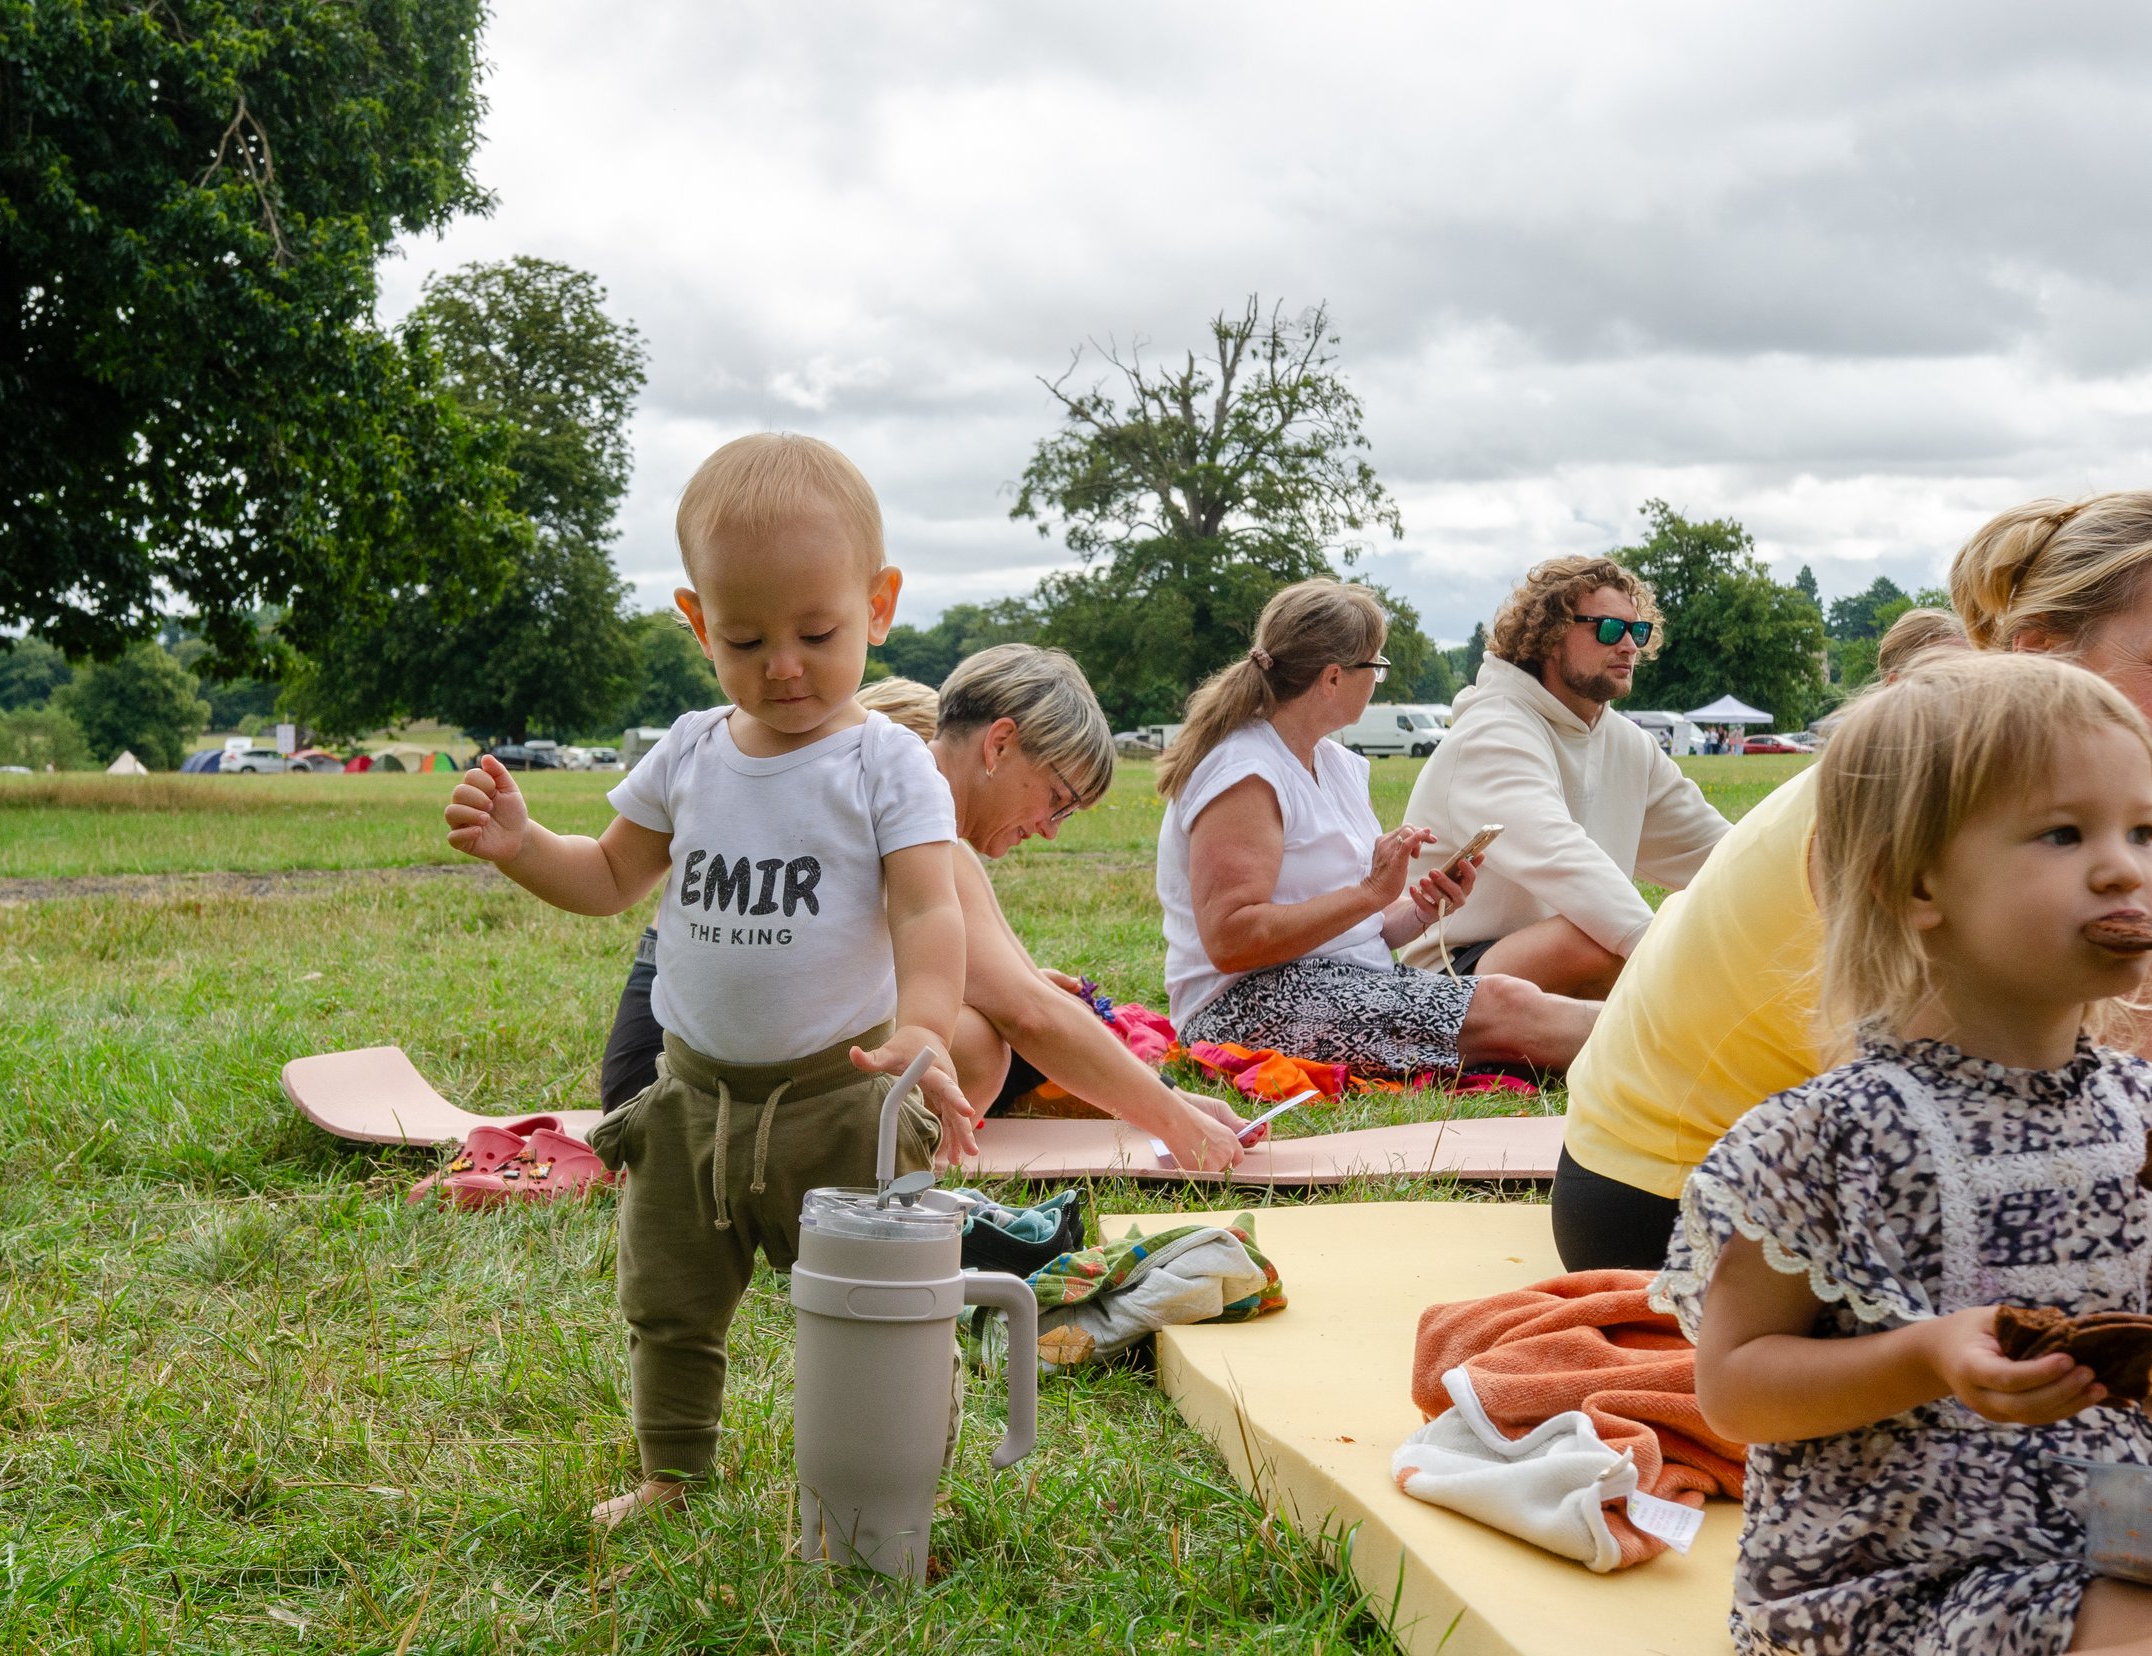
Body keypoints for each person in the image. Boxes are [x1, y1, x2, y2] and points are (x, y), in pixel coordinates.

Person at [443, 432, 975, 1527]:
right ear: (697, 622)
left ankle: (892, 1492)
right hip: (691, 1102)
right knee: (669, 1304)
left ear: (878, 606)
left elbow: (930, 906)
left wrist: (924, 1025)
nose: (784, 664)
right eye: (744, 638)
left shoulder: (886, 762)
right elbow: (603, 879)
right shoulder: (688, 753)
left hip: (843, 1102)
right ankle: (672, 1478)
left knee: (880, 1308)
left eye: (817, 633)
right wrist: (517, 842)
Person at [1659, 651, 2152, 1654]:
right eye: (2064, 834)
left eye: (2143, 831)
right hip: (1906, 1577)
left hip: (2112, 1526)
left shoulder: (2136, 1103)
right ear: (1915, 885)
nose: (2122, 868)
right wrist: (1924, 1355)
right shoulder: (1826, 1136)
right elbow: (1734, 1387)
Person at [1558, 493, 2152, 1271]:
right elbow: (2058, 1088)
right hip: (1683, 1205)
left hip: (1787, 1174)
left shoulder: (2038, 790)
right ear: (2042, 653)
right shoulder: (1935, 794)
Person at [599, 651, 1258, 1172]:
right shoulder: (911, 809)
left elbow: (1028, 994)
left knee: (963, 1025)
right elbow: (1028, 1012)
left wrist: (1164, 1104)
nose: (1052, 829)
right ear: (999, 746)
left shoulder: (888, 781)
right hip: (670, 1092)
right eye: (1056, 800)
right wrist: (1174, 1125)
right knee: (975, 1039)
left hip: (669, 1067)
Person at [1156, 577, 1600, 1076]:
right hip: (1247, 1008)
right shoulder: (1244, 772)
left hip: (1339, 981)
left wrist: (1420, 909)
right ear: (1332, 678)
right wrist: (1370, 892)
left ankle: (1674, 1044)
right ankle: (1675, 1053)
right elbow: (1232, 942)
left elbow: (1354, 930)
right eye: (1377, 666)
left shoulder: (1336, 765)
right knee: (1506, 1009)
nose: (1377, 679)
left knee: (1508, 996)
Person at [1401, 556, 1728, 997]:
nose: (1629, 645)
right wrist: (1661, 951)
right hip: (1450, 976)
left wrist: (1801, 883)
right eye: (1609, 629)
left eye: (1639, 631)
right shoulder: (1494, 733)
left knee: (1703, 912)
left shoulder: (1628, 744)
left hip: (1553, 953)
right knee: (1600, 940)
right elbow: (1562, 857)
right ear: (1550, 636)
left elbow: (1717, 852)